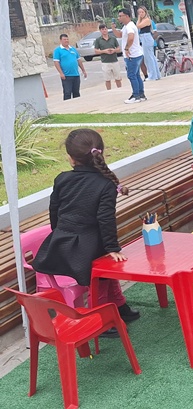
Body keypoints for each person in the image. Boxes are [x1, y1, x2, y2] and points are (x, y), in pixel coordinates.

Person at [32, 129, 141, 338]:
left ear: (71, 158)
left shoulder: (62, 178)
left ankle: (119, 306)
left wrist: (58, 234)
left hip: (61, 247)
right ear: (100, 153)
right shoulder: (105, 184)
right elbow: (106, 219)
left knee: (106, 268)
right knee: (101, 274)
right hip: (83, 251)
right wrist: (112, 247)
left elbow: (54, 210)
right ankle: (100, 319)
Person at [112, 8, 146, 104]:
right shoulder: (126, 26)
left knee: (131, 75)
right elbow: (120, 35)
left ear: (126, 16)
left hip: (132, 55)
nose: (119, 18)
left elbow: (131, 37)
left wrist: (127, 48)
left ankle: (136, 96)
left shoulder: (130, 26)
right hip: (137, 54)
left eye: (120, 16)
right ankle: (141, 94)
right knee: (136, 75)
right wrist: (113, 28)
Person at [53, 34, 87, 100]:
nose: (66, 41)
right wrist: (61, 73)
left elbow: (79, 60)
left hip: (76, 74)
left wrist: (83, 70)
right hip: (66, 75)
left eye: (67, 39)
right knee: (67, 93)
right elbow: (56, 62)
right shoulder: (58, 50)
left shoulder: (73, 49)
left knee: (76, 93)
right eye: (64, 39)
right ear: (61, 40)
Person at [93, 24, 122, 91]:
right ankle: (109, 91)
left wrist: (114, 50)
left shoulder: (113, 38)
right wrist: (104, 51)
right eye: (102, 29)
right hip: (105, 62)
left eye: (105, 29)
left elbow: (118, 49)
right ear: (100, 30)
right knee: (107, 79)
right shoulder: (98, 40)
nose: (104, 30)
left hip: (114, 61)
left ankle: (120, 89)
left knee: (118, 78)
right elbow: (96, 51)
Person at [137, 6, 161, 82]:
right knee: (151, 57)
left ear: (145, 12)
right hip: (144, 37)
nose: (141, 14)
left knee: (149, 58)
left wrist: (139, 19)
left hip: (146, 37)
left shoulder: (147, 20)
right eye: (139, 12)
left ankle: (152, 75)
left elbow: (138, 26)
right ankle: (156, 74)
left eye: (142, 12)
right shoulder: (144, 20)